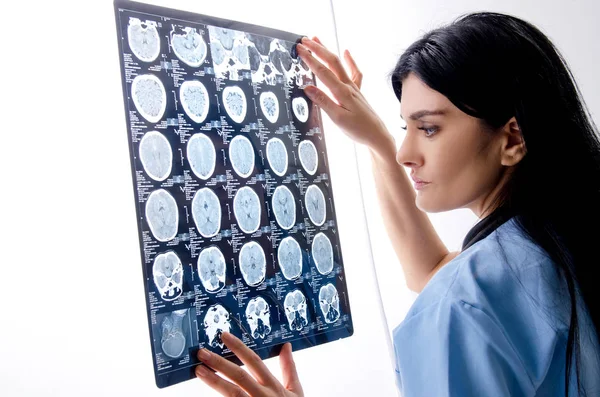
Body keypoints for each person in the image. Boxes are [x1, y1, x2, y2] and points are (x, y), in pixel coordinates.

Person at [194, 11, 600, 396]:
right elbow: (437, 272)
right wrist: (378, 144)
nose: (406, 152)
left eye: (428, 128)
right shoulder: (556, 242)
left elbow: (455, 294)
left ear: (512, 139)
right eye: (405, 127)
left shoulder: (462, 304)